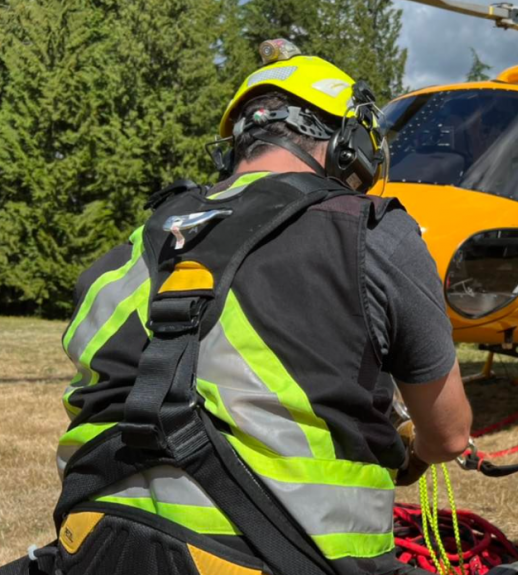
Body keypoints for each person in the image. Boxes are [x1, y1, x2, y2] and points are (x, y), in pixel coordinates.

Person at [8, 41, 472, 575]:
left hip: (94, 547)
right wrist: (412, 445)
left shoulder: (136, 244)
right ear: (346, 146)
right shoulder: (374, 231)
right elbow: (449, 435)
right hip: (283, 560)